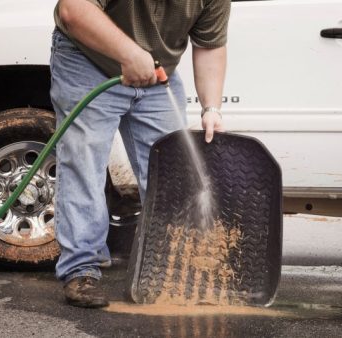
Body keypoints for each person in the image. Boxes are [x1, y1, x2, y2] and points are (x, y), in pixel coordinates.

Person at [50, 0, 230, 308]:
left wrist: (211, 107)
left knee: (171, 171)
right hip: (88, 59)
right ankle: (81, 269)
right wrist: (129, 53)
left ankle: (168, 268)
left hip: (158, 73)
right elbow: (73, 8)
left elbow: (210, 44)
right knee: (84, 161)